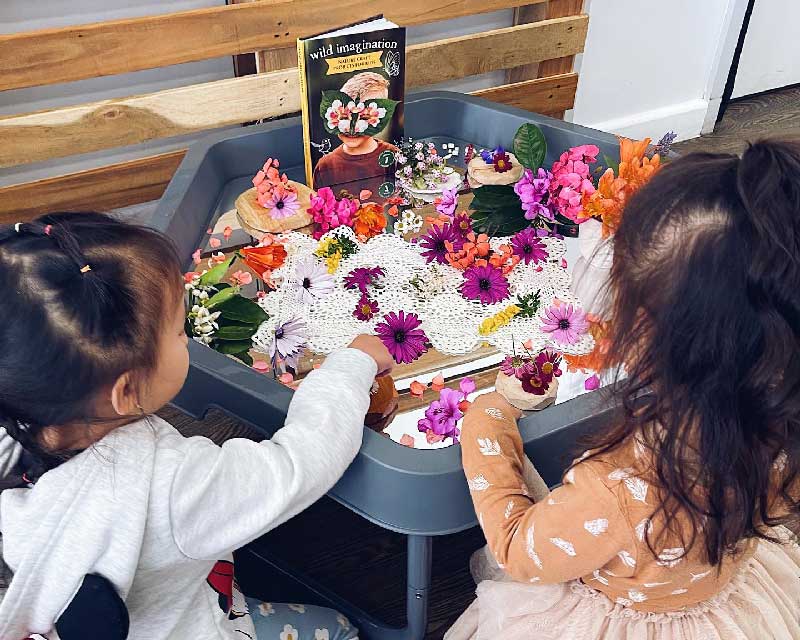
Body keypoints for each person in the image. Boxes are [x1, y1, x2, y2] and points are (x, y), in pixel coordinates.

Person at [448, 139, 800, 639]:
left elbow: (516, 549)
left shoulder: (619, 488)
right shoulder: (784, 437)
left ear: (653, 338)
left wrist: (487, 420)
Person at [0, 212, 394, 639]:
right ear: (127, 391)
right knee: (340, 629)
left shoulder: (18, 418)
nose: (185, 336)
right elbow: (299, 464)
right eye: (177, 331)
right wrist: (351, 367)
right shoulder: (169, 486)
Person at [313, 72, 398, 191]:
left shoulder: (394, 155)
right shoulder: (325, 166)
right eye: (344, 116)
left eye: (364, 117)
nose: (352, 127)